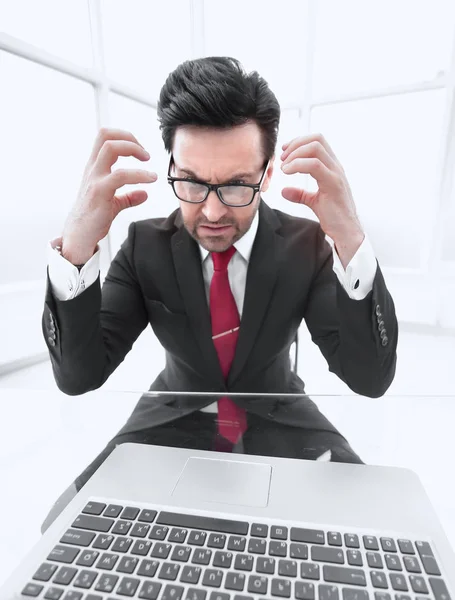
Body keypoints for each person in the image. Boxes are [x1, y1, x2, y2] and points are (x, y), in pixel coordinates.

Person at [41, 57, 398, 531]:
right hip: (171, 409)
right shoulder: (144, 245)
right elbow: (79, 376)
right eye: (190, 181)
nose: (211, 211)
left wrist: (351, 238)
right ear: (171, 165)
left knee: (368, 532)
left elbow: (369, 378)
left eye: (235, 185)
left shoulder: (306, 244)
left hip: (279, 407)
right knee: (67, 528)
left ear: (267, 174)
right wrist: (78, 248)